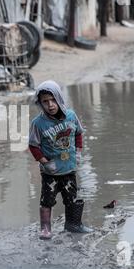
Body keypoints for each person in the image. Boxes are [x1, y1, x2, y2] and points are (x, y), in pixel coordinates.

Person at [29, 80, 93, 240]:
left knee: (72, 198)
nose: (50, 105)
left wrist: (78, 153)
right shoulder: (38, 123)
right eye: (45, 101)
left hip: (69, 169)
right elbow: (33, 146)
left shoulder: (71, 116)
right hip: (50, 172)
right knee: (47, 200)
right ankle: (45, 228)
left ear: (59, 98)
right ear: (40, 103)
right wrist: (45, 162)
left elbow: (78, 133)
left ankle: (74, 224)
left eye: (53, 100)